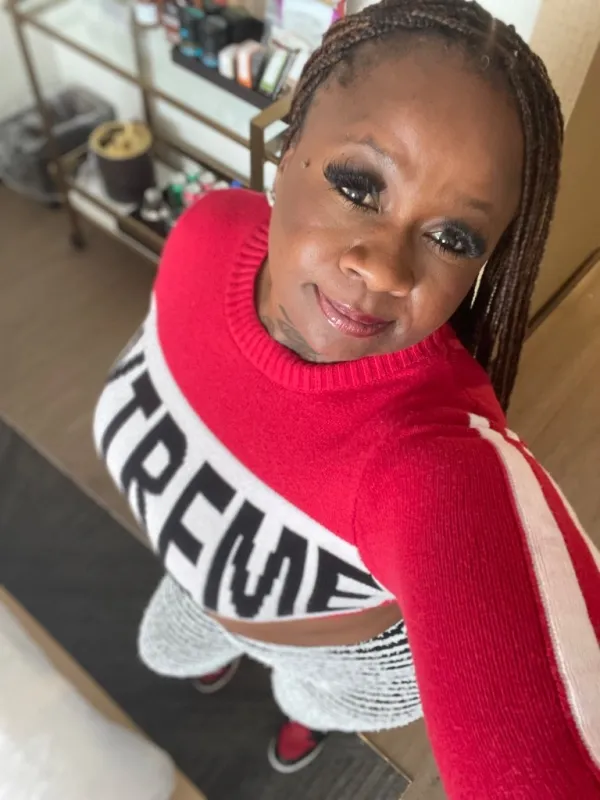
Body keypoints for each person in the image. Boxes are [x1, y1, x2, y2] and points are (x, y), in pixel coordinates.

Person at [94, 0, 600, 795]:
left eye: (454, 237)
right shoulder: (207, 229)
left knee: (310, 700)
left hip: (351, 662)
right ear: (289, 144)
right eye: (360, 185)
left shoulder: (434, 462)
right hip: (205, 580)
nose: (387, 270)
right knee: (163, 648)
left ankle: (310, 716)